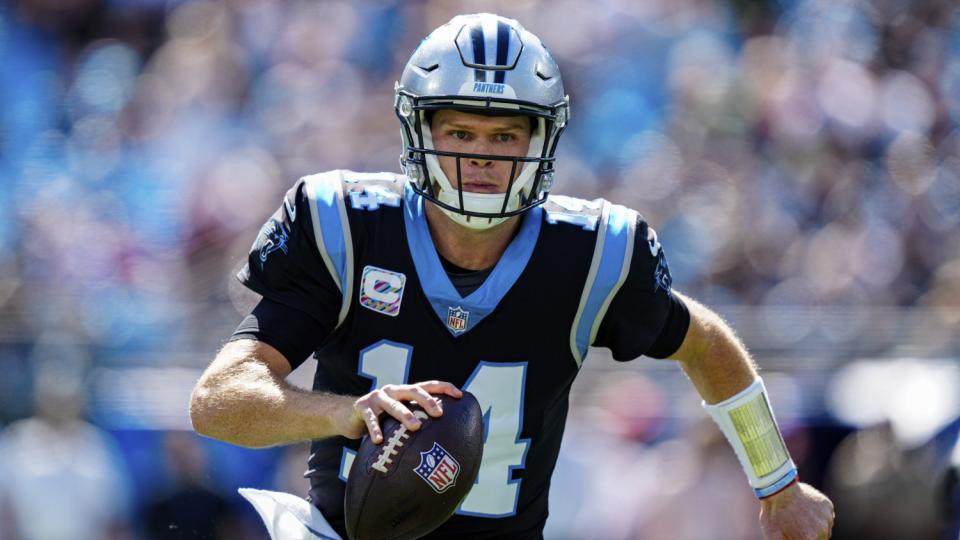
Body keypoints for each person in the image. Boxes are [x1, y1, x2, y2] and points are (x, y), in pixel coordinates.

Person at [189, 13, 835, 540]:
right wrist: (343, 415)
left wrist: (777, 481)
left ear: (541, 142)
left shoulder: (590, 254)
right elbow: (217, 400)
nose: (481, 156)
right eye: (461, 131)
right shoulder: (348, 227)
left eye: (505, 136)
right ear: (420, 132)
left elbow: (705, 343)